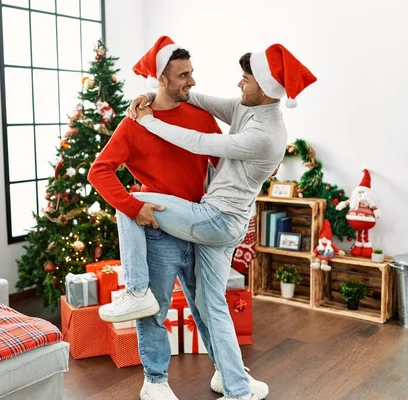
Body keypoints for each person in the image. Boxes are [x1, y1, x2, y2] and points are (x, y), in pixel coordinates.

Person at [101, 41, 316, 400]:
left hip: (214, 219)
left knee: (132, 200)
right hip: (217, 220)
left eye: (245, 79)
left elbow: (200, 144)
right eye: (183, 74)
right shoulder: (248, 108)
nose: (238, 85)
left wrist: (149, 120)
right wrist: (147, 96)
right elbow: (197, 97)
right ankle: (236, 386)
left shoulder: (265, 135)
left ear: (262, 86)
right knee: (211, 305)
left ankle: (136, 291)